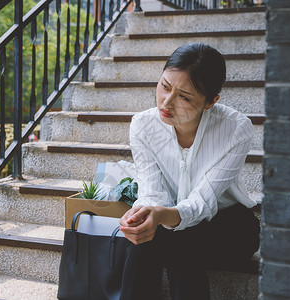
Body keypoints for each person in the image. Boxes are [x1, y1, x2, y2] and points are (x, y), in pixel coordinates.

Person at [119, 43, 260, 300]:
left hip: (228, 226)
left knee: (180, 240)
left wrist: (163, 216)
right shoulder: (143, 125)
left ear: (210, 102)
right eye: (164, 86)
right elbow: (151, 193)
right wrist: (148, 214)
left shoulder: (236, 129)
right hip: (172, 222)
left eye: (184, 96)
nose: (167, 102)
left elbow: (202, 203)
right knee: (144, 237)